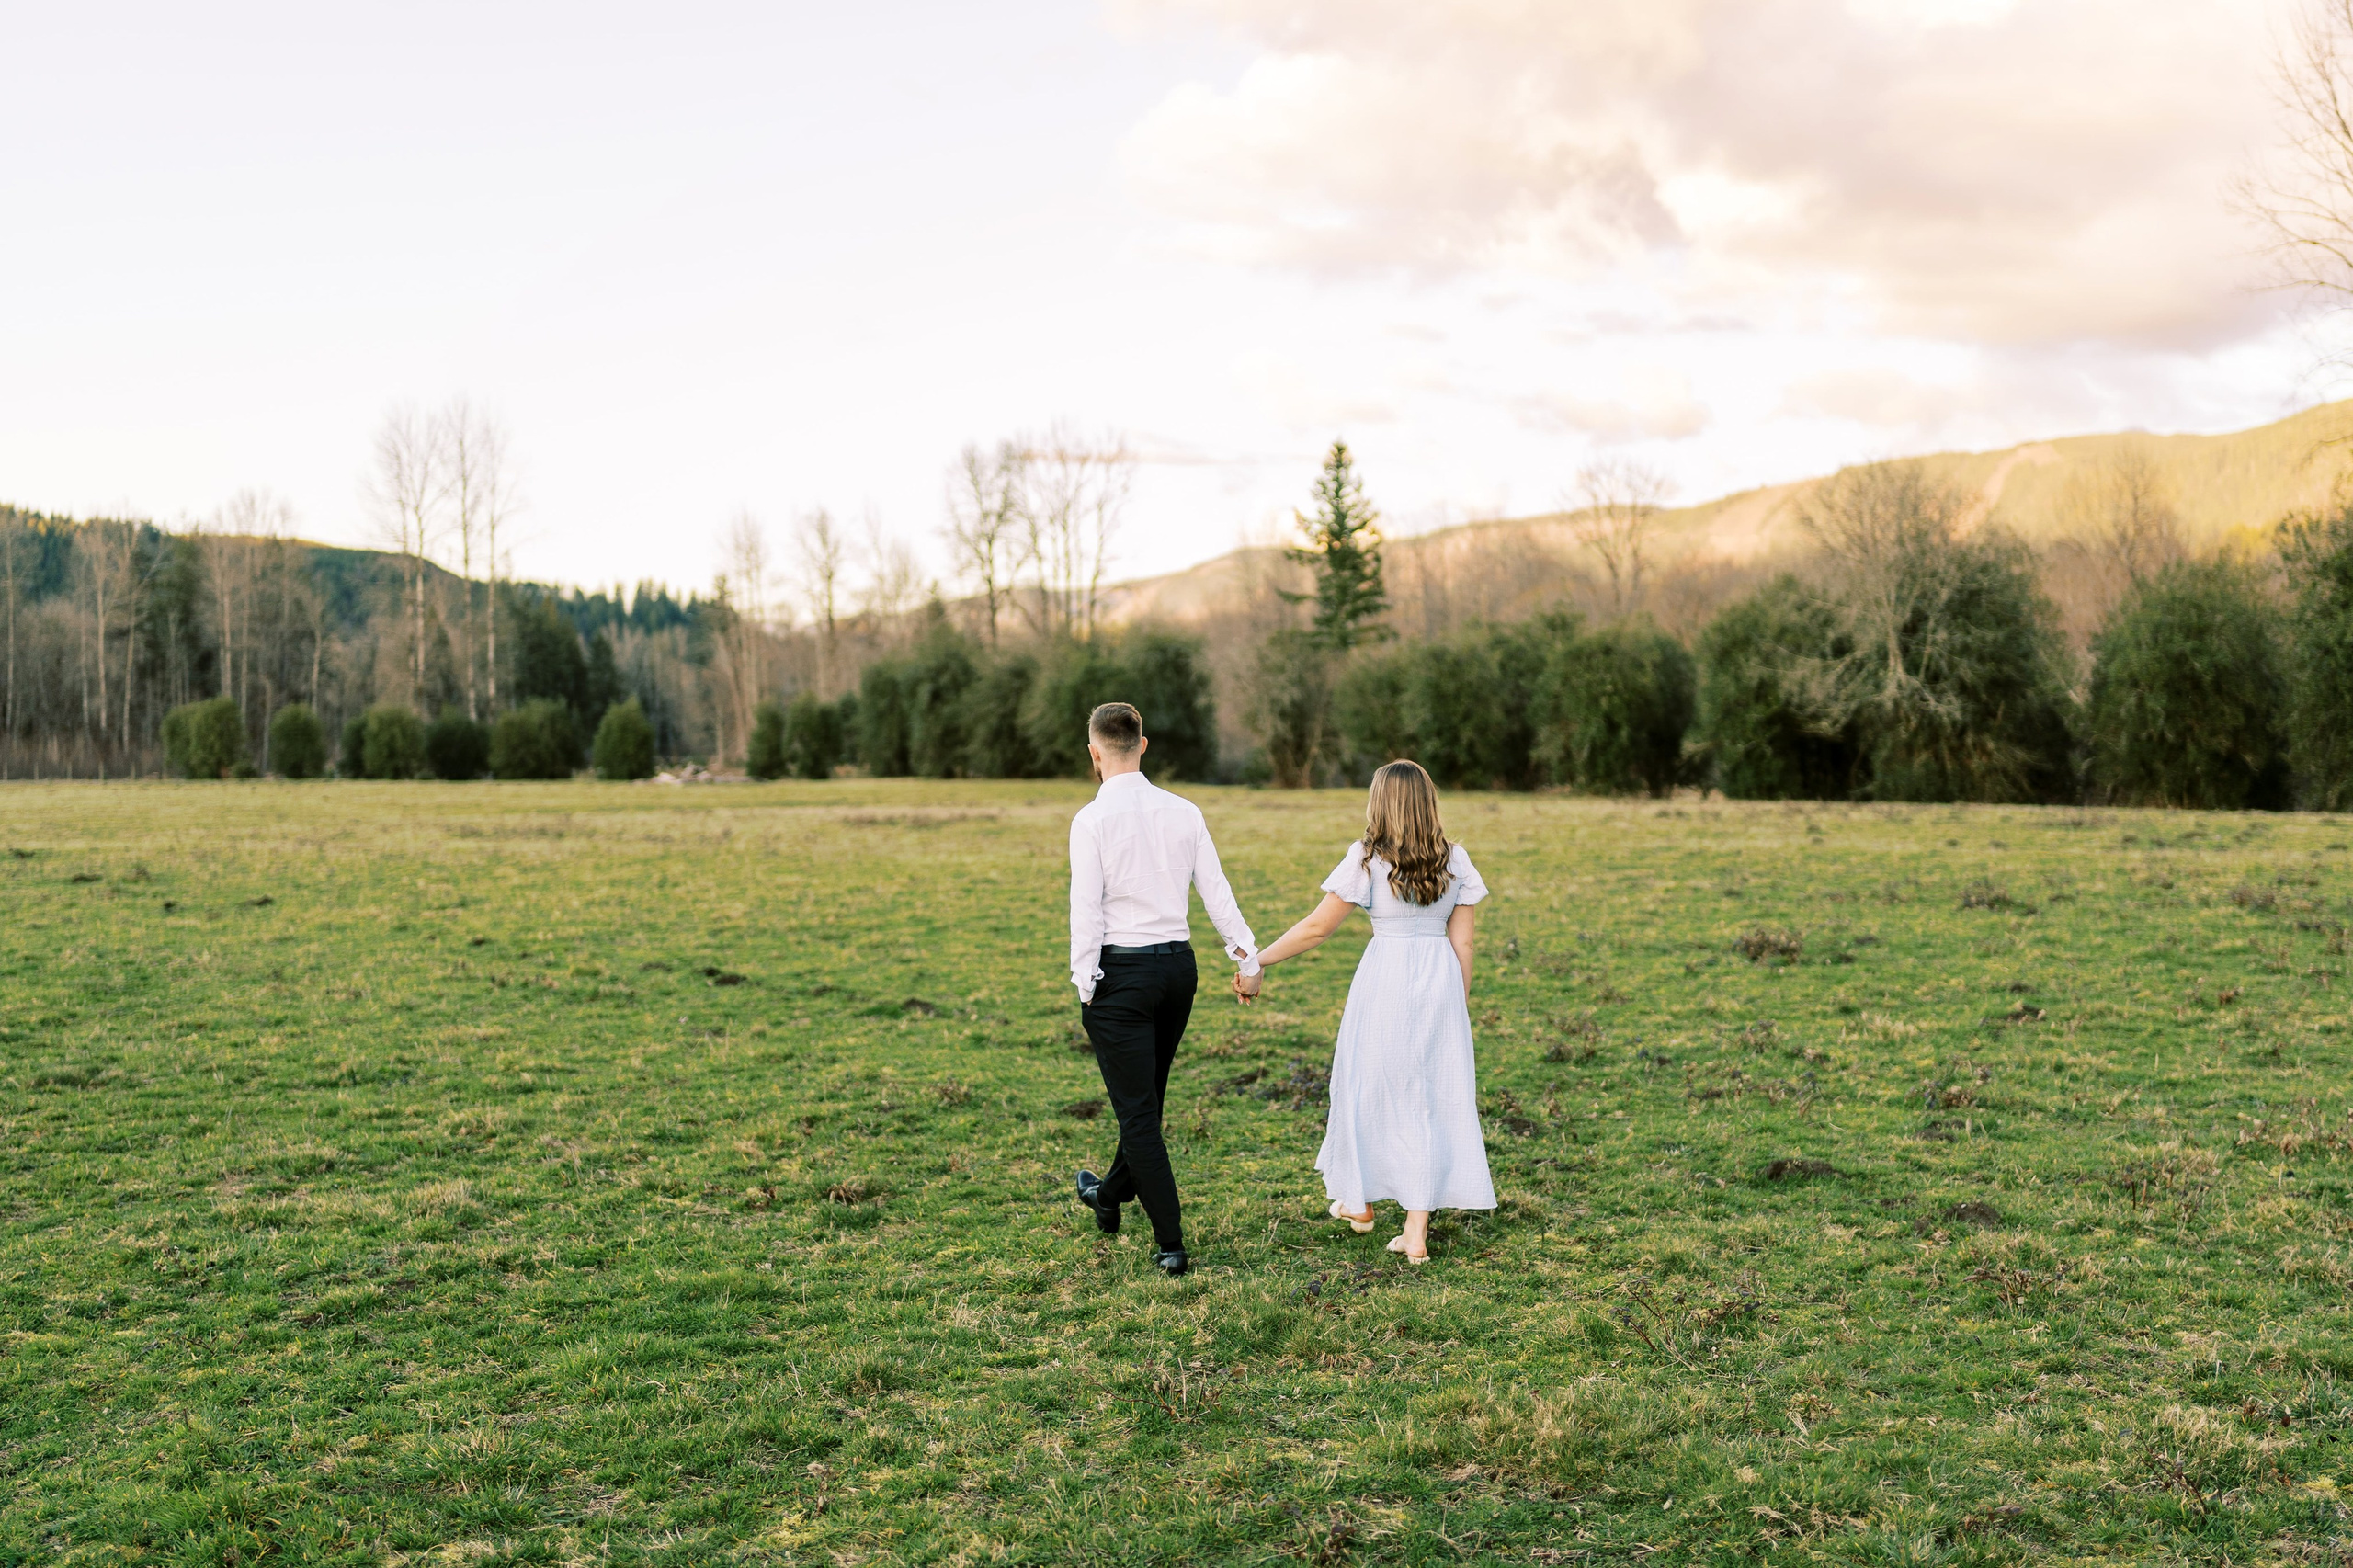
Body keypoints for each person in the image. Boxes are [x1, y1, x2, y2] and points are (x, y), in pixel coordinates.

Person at [1237, 759, 1494, 1263]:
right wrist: (1455, 1004)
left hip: (1385, 982)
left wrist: (1256, 960)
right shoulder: (1456, 860)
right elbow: (1463, 944)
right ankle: (1414, 1231)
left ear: (1380, 804)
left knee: (1365, 1085)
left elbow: (1317, 929)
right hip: (1439, 981)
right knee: (1429, 1098)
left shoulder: (1367, 859)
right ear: (1428, 802)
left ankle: (1360, 1202)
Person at [1068, 701, 1260, 1278]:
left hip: (1120, 975)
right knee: (1145, 1102)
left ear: (1095, 753)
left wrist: (1086, 983)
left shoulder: (1091, 820)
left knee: (1138, 1116)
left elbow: (1086, 910)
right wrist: (1246, 956)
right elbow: (1216, 892)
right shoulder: (1185, 812)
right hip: (1178, 971)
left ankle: (1171, 1243)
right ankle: (1106, 1195)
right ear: (1144, 745)